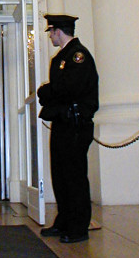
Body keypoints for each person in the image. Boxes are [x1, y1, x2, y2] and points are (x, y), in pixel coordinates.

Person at [37, 14, 99, 244]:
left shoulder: (77, 56)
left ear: (58, 31)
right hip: (63, 122)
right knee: (61, 175)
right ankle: (64, 221)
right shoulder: (62, 57)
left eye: (51, 32)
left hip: (75, 124)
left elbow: (69, 89)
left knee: (74, 177)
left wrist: (46, 91)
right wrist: (51, 91)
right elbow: (61, 89)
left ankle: (78, 227)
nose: (50, 36)